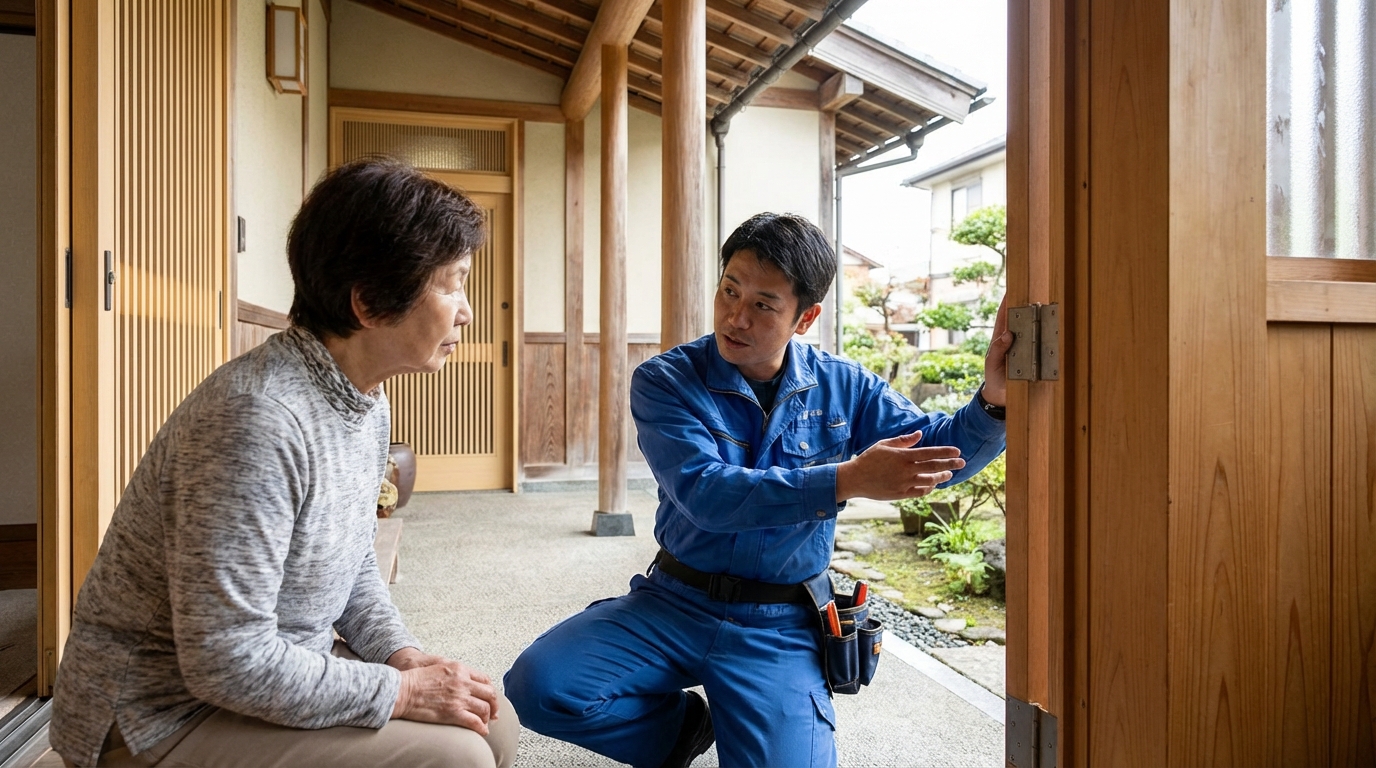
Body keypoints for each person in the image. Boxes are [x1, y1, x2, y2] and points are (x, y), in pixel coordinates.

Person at [50, 157, 518, 768]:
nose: (467, 310)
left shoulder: (365, 398)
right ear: (370, 305)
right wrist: (399, 692)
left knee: (495, 723)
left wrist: (400, 654)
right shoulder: (258, 418)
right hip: (153, 714)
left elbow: (350, 563)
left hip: (268, 673)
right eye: (451, 283)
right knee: (455, 758)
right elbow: (225, 659)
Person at [504, 212, 1011, 767]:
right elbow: (706, 493)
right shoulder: (666, 380)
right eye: (729, 291)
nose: (735, 317)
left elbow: (936, 454)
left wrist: (994, 401)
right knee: (540, 686)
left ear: (805, 317)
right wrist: (848, 479)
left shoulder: (845, 386)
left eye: (763, 305)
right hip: (672, 601)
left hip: (780, 624)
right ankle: (680, 733)